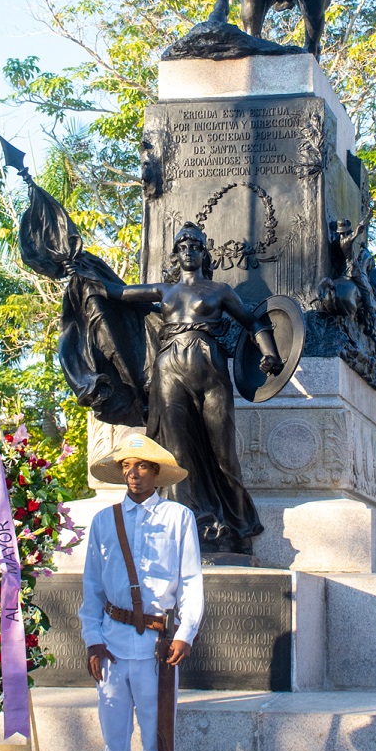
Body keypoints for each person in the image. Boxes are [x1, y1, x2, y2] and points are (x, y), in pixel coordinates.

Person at [95, 223, 282, 554]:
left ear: (203, 252)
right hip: (169, 369)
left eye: (195, 246)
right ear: (176, 255)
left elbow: (253, 322)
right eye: (183, 247)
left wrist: (269, 352)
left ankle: (237, 524)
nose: (189, 251)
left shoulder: (219, 290)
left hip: (210, 368)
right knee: (176, 452)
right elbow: (119, 293)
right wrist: (83, 272)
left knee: (223, 451)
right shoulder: (163, 291)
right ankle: (186, 521)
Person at [82, 434, 204, 751]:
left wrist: (186, 631)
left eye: (142, 466)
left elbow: (190, 581)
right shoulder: (103, 520)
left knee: (156, 738)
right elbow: (92, 587)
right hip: (113, 643)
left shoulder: (178, 517)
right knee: (115, 739)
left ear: (156, 473)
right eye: (127, 467)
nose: (133, 473)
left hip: (157, 645)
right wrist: (93, 640)